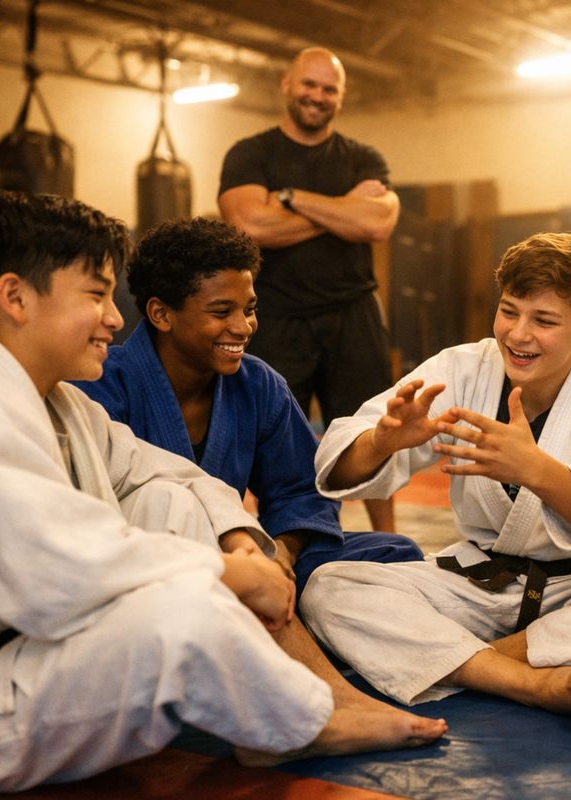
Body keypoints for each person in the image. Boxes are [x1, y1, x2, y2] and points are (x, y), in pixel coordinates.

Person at [0, 193, 443, 795]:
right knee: (186, 610)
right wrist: (226, 573)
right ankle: (301, 721)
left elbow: (168, 476)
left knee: (177, 505)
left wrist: (246, 544)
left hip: (30, 662)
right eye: (95, 295)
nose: (115, 317)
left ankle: (309, 704)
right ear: (15, 297)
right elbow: (54, 569)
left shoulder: (63, 403)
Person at [303, 233, 571, 730]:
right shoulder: (462, 369)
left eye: (544, 321)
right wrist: (383, 440)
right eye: (510, 311)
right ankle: (528, 680)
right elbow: (339, 460)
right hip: (477, 583)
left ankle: (468, 663)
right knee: (329, 588)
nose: (518, 335)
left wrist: (539, 472)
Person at [72, 217, 432, 729]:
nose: (243, 326)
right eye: (222, 311)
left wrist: (279, 556)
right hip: (167, 574)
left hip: (253, 558)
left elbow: (299, 491)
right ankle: (299, 661)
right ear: (161, 313)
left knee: (394, 554)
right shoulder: (106, 385)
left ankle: (276, 620)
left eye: (250, 309)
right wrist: (239, 567)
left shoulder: (257, 384)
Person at [219, 46, 399, 532]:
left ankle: (389, 537)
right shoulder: (251, 153)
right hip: (276, 314)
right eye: (309, 84)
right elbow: (248, 223)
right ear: (286, 84)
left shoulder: (363, 156)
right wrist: (343, 213)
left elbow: (378, 222)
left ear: (340, 97)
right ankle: (265, 535)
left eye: (329, 89)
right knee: (271, 434)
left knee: (374, 429)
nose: (317, 96)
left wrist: (291, 199)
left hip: (353, 313)